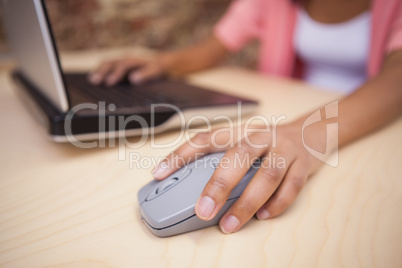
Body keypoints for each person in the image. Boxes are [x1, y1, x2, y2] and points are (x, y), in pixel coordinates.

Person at [89, 0, 402, 234]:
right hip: (287, 105)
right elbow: (216, 46)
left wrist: (304, 134)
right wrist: (161, 63)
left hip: (370, 124)